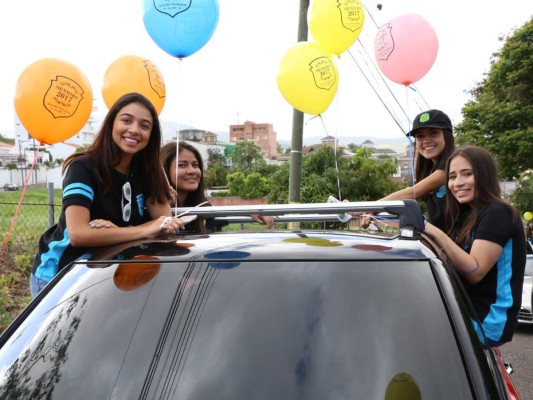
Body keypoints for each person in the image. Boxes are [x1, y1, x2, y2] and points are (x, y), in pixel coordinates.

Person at [30, 92, 186, 297]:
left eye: (144, 125)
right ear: (111, 123)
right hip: (61, 275)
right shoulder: (83, 167)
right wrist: (144, 228)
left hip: (107, 274)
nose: (134, 130)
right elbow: (79, 234)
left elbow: (164, 228)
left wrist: (117, 234)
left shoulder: (147, 173)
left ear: (151, 135)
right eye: (126, 120)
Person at [423, 145, 526, 347]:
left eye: (467, 174)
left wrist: (428, 228)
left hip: (487, 322)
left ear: (485, 175)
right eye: (452, 177)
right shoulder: (467, 215)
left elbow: (474, 270)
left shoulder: (498, 212)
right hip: (467, 311)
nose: (457, 183)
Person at [360, 109, 455, 231]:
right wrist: (372, 210)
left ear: (446, 136)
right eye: (420, 136)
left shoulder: (452, 166)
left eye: (433, 133)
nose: (426, 140)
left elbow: (411, 193)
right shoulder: (430, 170)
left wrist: (370, 207)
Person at [161, 141, 274, 232]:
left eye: (195, 165)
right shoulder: (154, 209)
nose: (192, 171)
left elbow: (223, 213)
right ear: (164, 170)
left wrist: (252, 211)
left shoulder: (202, 207)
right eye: (182, 165)